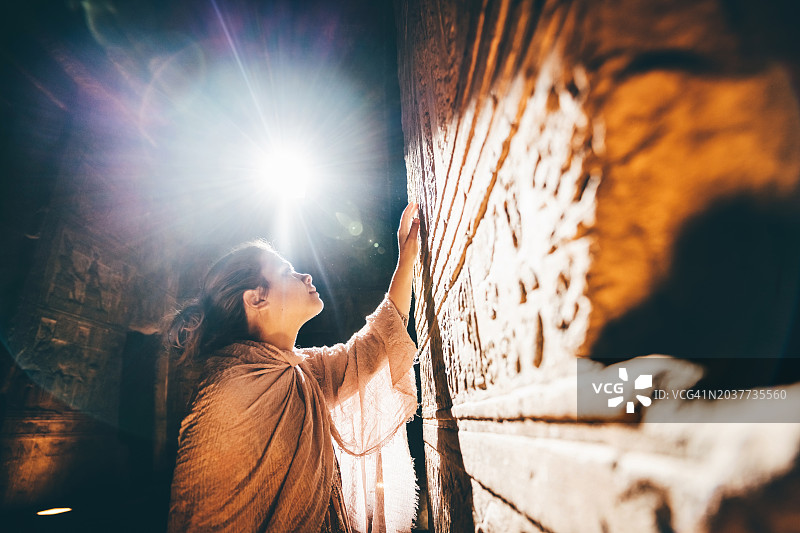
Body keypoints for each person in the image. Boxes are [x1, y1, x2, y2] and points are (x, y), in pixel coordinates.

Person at [165, 203, 421, 533]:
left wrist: (407, 258)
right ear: (257, 299)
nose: (306, 275)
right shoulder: (229, 391)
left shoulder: (299, 370)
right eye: (287, 273)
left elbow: (370, 349)